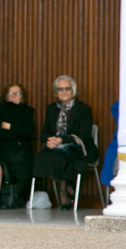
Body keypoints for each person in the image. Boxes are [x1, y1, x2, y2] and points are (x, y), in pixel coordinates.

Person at [33, 75, 95, 209]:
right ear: (56, 92)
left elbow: (83, 136)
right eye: (60, 89)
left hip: (78, 148)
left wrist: (61, 140)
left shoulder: (83, 109)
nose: (64, 92)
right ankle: (68, 187)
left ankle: (63, 193)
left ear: (73, 90)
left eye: (67, 88)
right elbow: (45, 132)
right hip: (56, 148)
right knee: (40, 158)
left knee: (61, 159)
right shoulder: (51, 108)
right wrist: (49, 141)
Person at [0, 83, 35, 206]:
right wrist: (18, 132)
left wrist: (9, 126)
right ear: (6, 96)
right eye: (11, 93)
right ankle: (14, 198)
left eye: (17, 93)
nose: (14, 96)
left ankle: (19, 197)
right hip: (3, 147)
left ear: (22, 97)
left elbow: (28, 132)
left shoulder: (28, 111)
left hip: (23, 148)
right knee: (17, 159)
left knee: (28, 161)